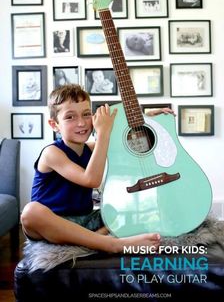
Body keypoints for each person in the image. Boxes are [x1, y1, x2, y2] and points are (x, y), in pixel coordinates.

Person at [21, 84, 169, 253]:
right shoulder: (52, 153)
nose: (81, 123)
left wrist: (148, 118)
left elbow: (122, 132)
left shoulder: (91, 149)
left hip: (84, 220)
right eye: (70, 117)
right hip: (52, 221)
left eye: (86, 114)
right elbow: (91, 180)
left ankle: (87, 240)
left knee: (115, 207)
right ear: (54, 124)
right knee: (30, 212)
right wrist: (103, 133)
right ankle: (110, 244)